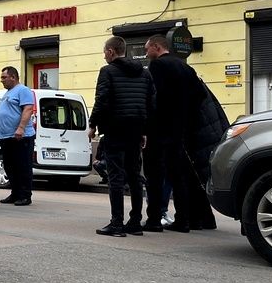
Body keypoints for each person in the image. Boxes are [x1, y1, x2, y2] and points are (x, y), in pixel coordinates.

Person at [144, 35, 217, 232]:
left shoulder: (158, 67)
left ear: (157, 47)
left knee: (158, 175)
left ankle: (158, 219)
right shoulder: (186, 67)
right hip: (184, 130)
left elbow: (154, 98)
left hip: (162, 130)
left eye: (147, 49)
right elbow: (200, 96)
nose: (146, 53)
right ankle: (187, 219)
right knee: (181, 176)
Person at [88, 37, 155, 237]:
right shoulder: (144, 74)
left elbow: (102, 100)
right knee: (134, 176)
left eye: (105, 51)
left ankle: (116, 223)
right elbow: (151, 103)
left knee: (116, 177)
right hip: (135, 130)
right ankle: (135, 221)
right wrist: (144, 130)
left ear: (111, 51)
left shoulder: (107, 71)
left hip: (115, 129)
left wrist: (92, 125)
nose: (104, 55)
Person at [0, 67, 35, 206]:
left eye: (4, 77)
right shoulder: (8, 94)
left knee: (22, 166)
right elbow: (0, 111)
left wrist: (21, 128)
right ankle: (15, 193)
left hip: (20, 137)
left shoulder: (23, 90)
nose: (1, 80)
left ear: (13, 77)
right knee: (10, 166)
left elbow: (28, 109)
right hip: (6, 137)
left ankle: (25, 195)